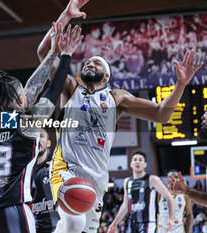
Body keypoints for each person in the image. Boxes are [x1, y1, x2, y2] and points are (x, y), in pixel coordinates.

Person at [37, 1, 203, 232]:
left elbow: (161, 115)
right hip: (66, 168)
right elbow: (43, 54)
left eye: (96, 63)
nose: (90, 64)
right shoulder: (70, 87)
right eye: (87, 62)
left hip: (97, 179)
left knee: (84, 228)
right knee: (73, 222)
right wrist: (65, 16)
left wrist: (181, 85)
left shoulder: (117, 99)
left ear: (106, 76)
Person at [0, 23, 83, 233]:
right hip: (10, 210)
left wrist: (52, 53)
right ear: (21, 98)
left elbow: (34, 86)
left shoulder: (1, 123)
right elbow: (52, 89)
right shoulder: (28, 124)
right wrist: (66, 55)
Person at [108, 150, 175, 233]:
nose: (137, 162)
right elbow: (125, 204)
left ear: (145, 164)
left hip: (148, 224)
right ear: (131, 164)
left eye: (140, 160)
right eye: (135, 160)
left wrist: (171, 218)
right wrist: (114, 223)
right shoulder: (127, 182)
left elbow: (169, 196)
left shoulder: (152, 179)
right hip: (131, 224)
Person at [30, 129, 59, 233]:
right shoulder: (25, 170)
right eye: (35, 137)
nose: (38, 139)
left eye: (41, 136)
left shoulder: (57, 166)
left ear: (48, 143)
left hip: (57, 228)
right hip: (34, 229)